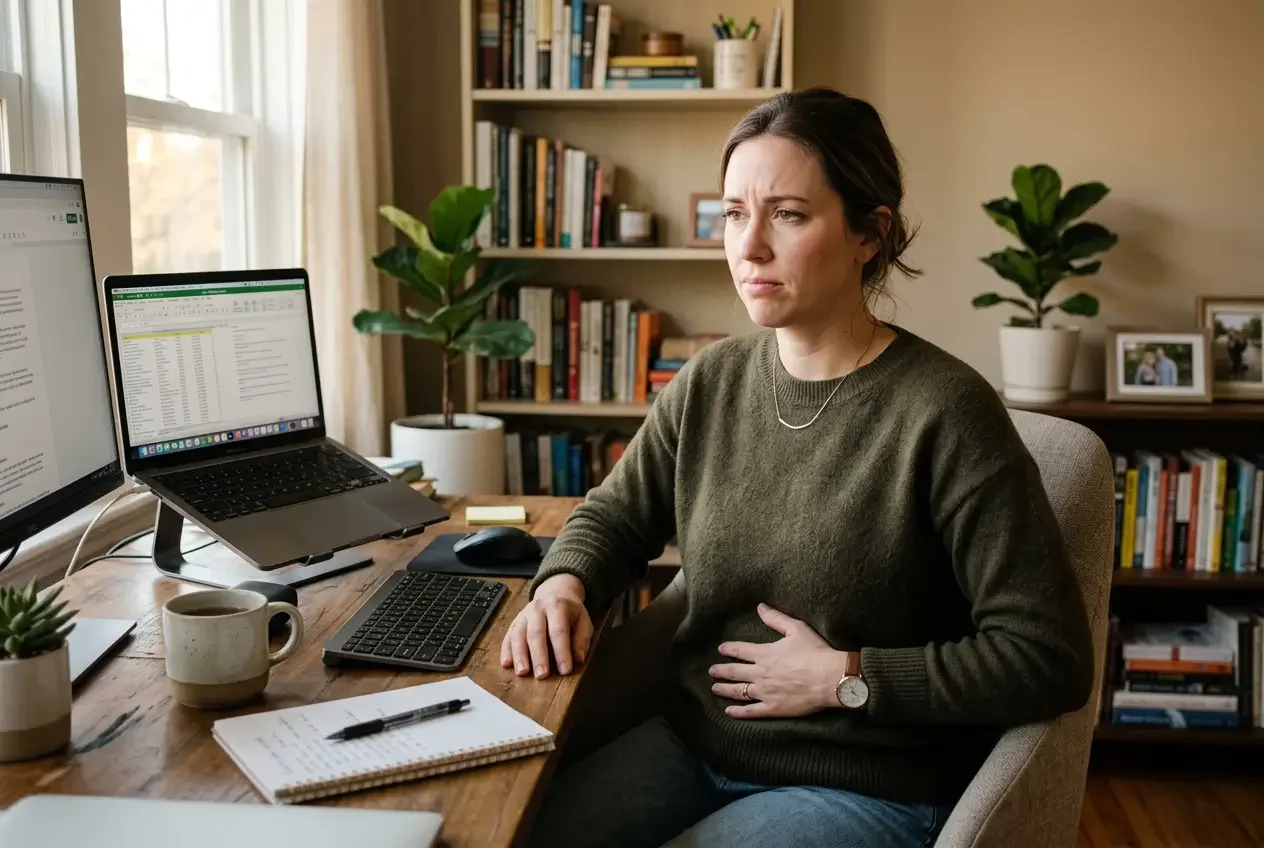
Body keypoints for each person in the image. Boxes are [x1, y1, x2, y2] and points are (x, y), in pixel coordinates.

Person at [503, 86, 1095, 848]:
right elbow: (616, 515)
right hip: (693, 746)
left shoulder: (946, 413)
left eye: (787, 214)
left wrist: (848, 677)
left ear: (869, 234)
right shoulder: (711, 381)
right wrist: (564, 584)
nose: (748, 248)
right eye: (735, 214)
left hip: (866, 784)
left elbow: (1048, 657)